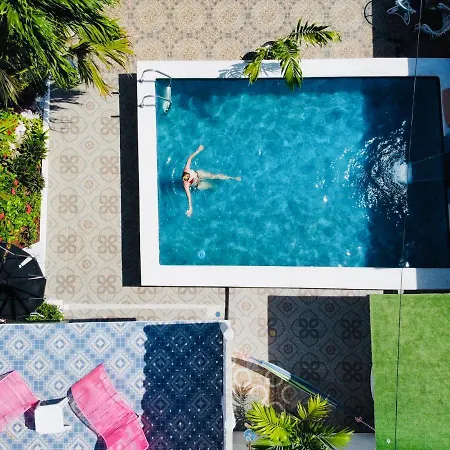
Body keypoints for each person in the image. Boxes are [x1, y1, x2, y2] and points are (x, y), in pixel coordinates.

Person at [182, 144, 241, 217]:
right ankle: (217, 193)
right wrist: (190, 208)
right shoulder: (186, 184)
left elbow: (190, 158)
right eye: (189, 180)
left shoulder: (186, 169)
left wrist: (198, 150)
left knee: (214, 176)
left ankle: (233, 178)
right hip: (198, 184)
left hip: (199, 174)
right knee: (213, 185)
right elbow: (189, 196)